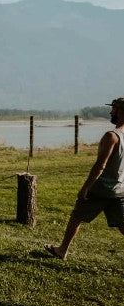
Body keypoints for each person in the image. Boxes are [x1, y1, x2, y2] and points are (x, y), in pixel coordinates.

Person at [45, 97, 124, 260]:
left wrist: (85, 188)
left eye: (114, 109)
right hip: (119, 190)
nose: (111, 112)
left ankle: (62, 250)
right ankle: (62, 249)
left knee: (76, 216)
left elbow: (100, 166)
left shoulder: (112, 136)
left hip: (101, 189)